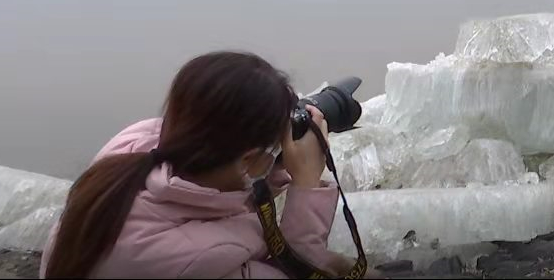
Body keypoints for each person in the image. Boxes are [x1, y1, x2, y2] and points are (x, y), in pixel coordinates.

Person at [42, 51, 349, 278]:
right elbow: (299, 272)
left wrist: (270, 164)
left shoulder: (129, 155)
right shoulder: (202, 260)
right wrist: (306, 183)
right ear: (247, 160)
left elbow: (218, 167)